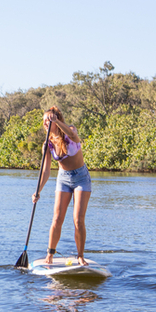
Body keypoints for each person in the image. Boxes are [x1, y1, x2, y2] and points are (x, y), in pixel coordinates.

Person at [32, 106, 92, 266]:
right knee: (57, 218)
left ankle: (80, 256)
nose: (45, 124)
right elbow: (45, 171)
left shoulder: (70, 131)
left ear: (56, 120)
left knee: (78, 220)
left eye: (48, 120)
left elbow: (73, 135)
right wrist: (37, 191)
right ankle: (50, 254)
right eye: (44, 121)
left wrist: (56, 120)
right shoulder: (48, 144)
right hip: (63, 179)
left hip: (81, 178)